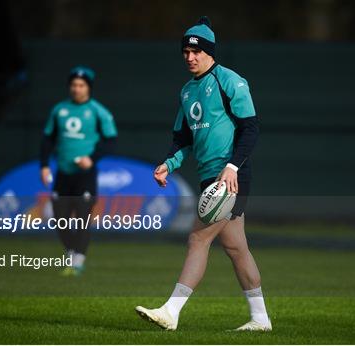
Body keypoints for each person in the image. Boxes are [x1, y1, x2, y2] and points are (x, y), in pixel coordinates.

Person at [135, 16, 271, 332]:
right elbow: (183, 140)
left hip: (232, 177)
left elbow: (250, 129)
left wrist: (233, 166)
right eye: (185, 52)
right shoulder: (186, 92)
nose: (190, 57)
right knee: (237, 248)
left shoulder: (230, 81)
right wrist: (169, 163)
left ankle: (171, 311)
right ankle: (261, 318)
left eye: (196, 52)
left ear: (210, 52)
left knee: (198, 238)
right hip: (209, 177)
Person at [39, 66, 117, 276]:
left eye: (81, 85)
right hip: (63, 174)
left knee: (83, 218)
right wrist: (44, 165)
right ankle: (72, 253)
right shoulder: (59, 110)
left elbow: (110, 141)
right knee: (59, 219)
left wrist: (91, 159)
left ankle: (78, 261)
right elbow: (48, 139)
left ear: (88, 88)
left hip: (85, 176)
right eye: (73, 85)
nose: (77, 89)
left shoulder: (98, 111)